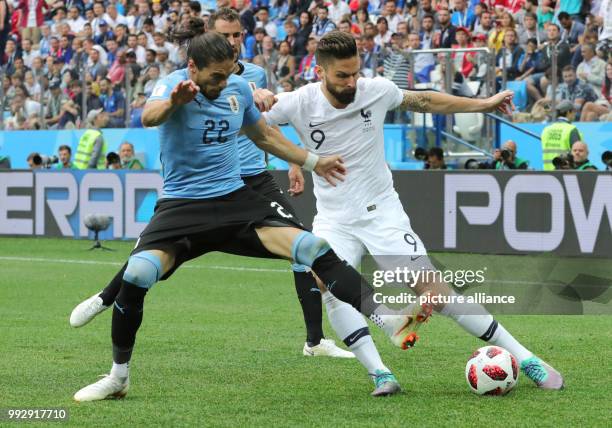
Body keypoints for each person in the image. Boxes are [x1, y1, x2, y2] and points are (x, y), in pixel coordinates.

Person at [71, 30, 419, 402]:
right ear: (192, 67)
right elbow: (150, 116)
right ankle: (118, 378)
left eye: (228, 74)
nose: (223, 83)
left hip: (235, 200)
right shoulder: (171, 85)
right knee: (138, 274)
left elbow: (265, 136)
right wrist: (174, 102)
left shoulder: (237, 89)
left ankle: (389, 318)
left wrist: (313, 162)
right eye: (215, 77)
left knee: (313, 248)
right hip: (183, 205)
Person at [262, 31, 563, 392]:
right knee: (327, 283)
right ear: (320, 71)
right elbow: (256, 122)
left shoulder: (375, 90)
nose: (351, 82)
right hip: (334, 217)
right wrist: (291, 153)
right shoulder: (298, 102)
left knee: (435, 292)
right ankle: (380, 373)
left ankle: (526, 358)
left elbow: (425, 100)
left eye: (355, 72)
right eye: (342, 75)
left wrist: (482, 104)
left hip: (382, 211)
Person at [540, 100, 583, 171]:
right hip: (566, 173)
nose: (575, 114)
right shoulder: (571, 130)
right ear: (569, 112)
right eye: (574, 111)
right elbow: (577, 155)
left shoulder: (546, 130)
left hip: (548, 173)